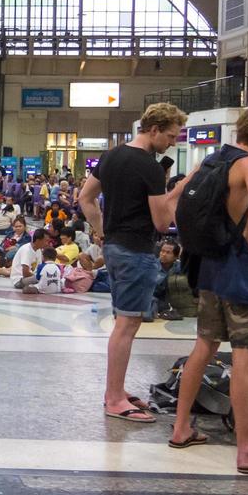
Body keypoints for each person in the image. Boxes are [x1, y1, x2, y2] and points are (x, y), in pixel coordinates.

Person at [168, 102, 248, 475]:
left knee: (203, 347)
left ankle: (180, 428)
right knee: (246, 358)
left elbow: (174, 199)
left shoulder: (213, 160)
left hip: (209, 266)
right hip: (241, 270)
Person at [78, 102, 189, 424]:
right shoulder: (150, 167)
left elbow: (85, 198)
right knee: (126, 326)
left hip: (114, 247)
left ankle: (118, 390)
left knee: (124, 322)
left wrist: (101, 231)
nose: (172, 142)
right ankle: (114, 397)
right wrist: (176, 190)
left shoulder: (111, 156)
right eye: (170, 136)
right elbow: (160, 222)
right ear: (153, 129)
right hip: (136, 249)